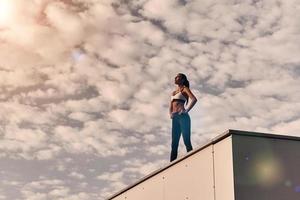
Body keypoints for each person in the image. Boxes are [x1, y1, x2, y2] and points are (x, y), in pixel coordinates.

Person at [169, 73, 197, 162]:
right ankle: (171, 166)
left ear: (182, 80)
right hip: (175, 118)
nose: (175, 78)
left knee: (186, 141)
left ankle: (192, 161)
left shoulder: (184, 89)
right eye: (175, 77)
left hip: (183, 117)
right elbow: (171, 105)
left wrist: (186, 110)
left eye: (177, 77)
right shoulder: (173, 92)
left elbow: (194, 99)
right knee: (174, 144)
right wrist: (170, 113)